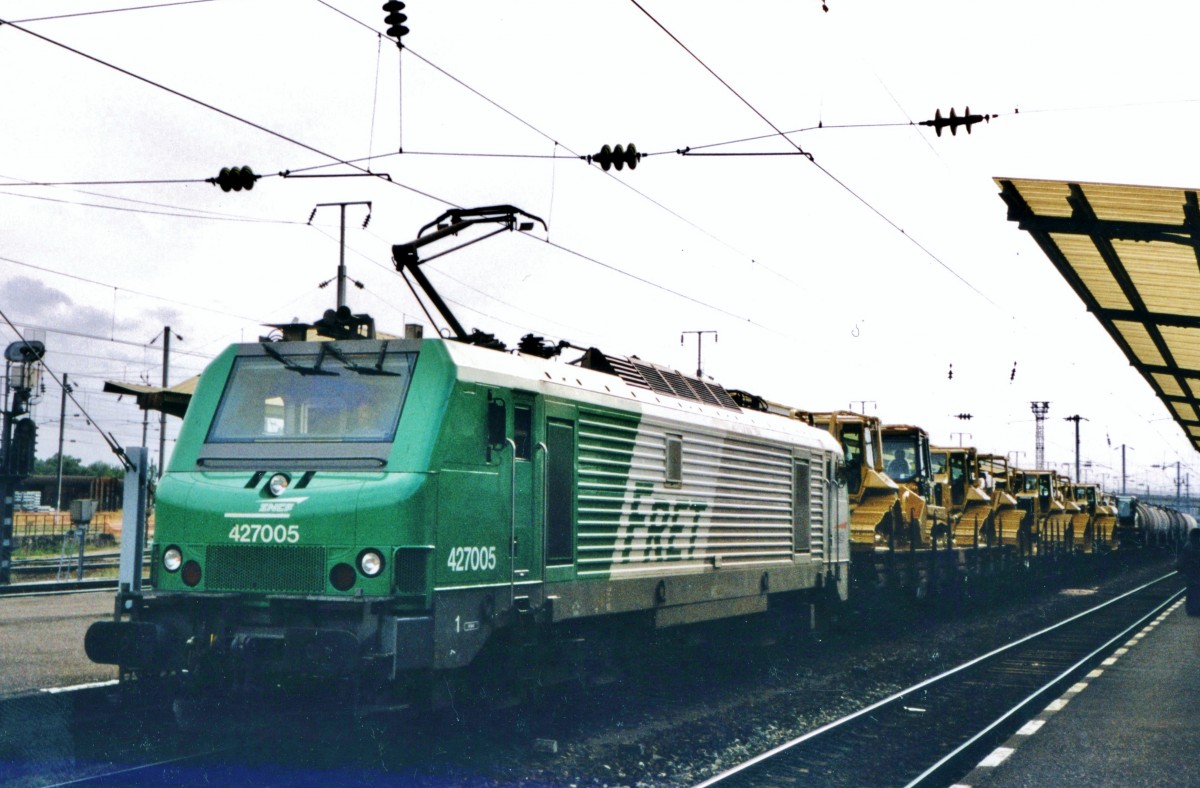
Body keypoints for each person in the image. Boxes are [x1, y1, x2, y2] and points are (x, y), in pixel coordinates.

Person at [1177, 528, 1200, 616]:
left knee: (1191, 592)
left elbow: (1182, 560)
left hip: (1192, 575)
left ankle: (1192, 610)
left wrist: (1180, 569)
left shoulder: (1188, 546)